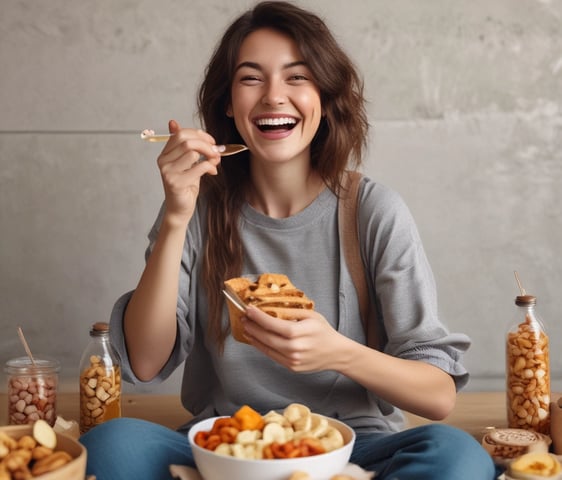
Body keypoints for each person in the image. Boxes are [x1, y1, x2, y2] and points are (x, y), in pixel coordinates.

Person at [80, 2, 496, 479]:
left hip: (351, 450)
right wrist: (177, 215)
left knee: (458, 457)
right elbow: (147, 363)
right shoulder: (196, 206)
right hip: (226, 447)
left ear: (325, 96)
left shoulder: (373, 211)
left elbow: (438, 396)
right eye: (251, 78)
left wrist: (336, 351)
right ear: (228, 107)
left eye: (297, 77)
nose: (274, 96)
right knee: (110, 446)